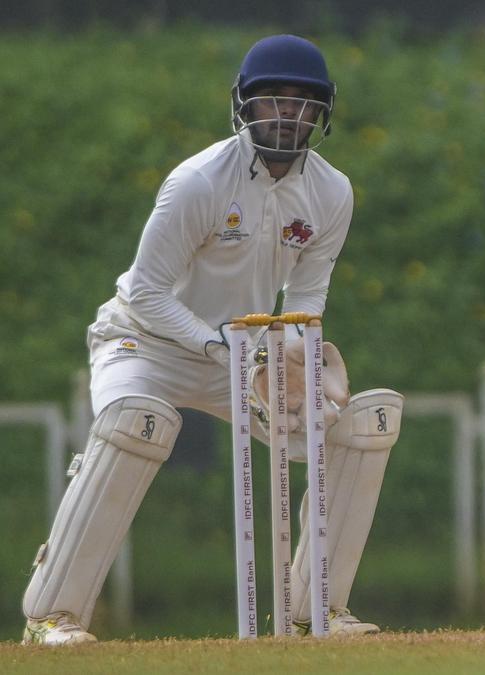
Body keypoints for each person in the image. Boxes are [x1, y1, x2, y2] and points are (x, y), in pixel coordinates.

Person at [22, 34, 404, 645]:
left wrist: (297, 355)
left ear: (322, 113)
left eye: (302, 102)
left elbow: (306, 296)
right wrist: (222, 347)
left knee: (354, 429)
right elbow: (147, 291)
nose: (286, 113)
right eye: (272, 100)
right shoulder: (197, 182)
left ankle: (314, 613)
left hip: (244, 355)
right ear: (244, 107)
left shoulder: (332, 192)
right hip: (145, 341)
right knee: (132, 423)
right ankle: (52, 615)